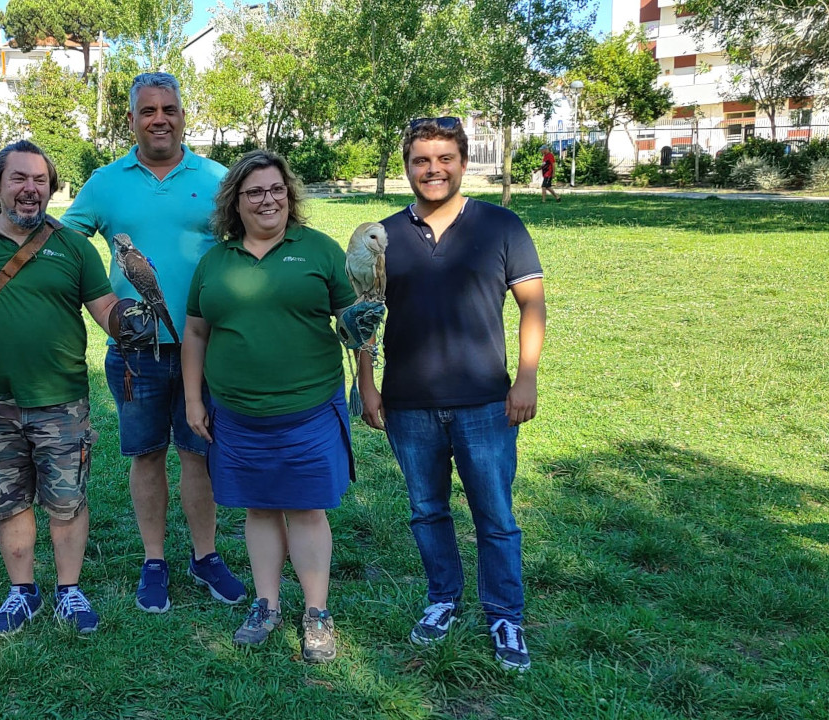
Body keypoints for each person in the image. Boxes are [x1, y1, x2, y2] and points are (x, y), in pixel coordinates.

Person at [358, 117, 546, 672]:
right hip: (408, 404)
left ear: (463, 163)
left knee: (495, 514)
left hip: (486, 402)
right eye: (421, 160)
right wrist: (366, 383)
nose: (432, 169)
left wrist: (527, 377)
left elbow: (531, 304)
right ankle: (443, 598)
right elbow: (366, 317)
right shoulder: (383, 237)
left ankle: (504, 614)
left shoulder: (502, 227)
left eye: (444, 158)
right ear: (408, 167)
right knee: (426, 511)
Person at [62, 72, 245, 613]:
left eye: (169, 108)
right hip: (136, 353)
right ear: (132, 119)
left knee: (199, 454)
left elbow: (254, 242)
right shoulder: (105, 181)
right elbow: (65, 247)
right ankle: (154, 560)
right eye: (148, 111)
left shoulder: (217, 178)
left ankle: (206, 556)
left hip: (205, 349)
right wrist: (101, 307)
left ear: (184, 115)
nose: (159, 118)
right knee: (146, 456)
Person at [0, 140, 124, 636]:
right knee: (8, 499)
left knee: (67, 500)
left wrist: (128, 321)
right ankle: (23, 591)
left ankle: (69, 590)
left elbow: (104, 307)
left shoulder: (73, 245)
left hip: (62, 402)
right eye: (18, 178)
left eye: (40, 180)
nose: (30, 189)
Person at [182, 150, 357, 663]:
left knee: (305, 509)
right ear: (236, 201)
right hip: (237, 415)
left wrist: (366, 369)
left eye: (276, 189)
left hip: (308, 410)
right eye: (255, 191)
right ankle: (266, 605)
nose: (268, 199)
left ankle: (317, 614)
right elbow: (195, 331)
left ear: (290, 195)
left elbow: (354, 328)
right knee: (259, 508)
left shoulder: (320, 252)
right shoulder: (215, 261)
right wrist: (194, 399)